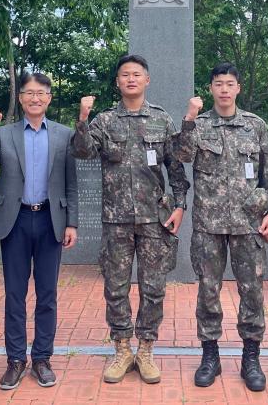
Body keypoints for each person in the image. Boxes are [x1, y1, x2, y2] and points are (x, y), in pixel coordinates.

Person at [72, 54, 189, 384]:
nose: (131, 79)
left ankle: (146, 349)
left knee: (153, 288)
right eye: (125, 75)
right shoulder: (105, 120)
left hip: (154, 220)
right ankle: (123, 349)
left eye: (137, 74)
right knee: (116, 287)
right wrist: (83, 119)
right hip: (117, 219)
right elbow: (83, 152)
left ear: (147, 80)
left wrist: (180, 205)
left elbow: (176, 168)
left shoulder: (161, 120)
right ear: (118, 82)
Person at [174, 62, 268, 392]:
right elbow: (182, 155)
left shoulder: (255, 125)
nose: (224, 89)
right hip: (209, 225)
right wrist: (189, 118)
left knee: (252, 292)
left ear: (238, 88)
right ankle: (210, 356)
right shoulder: (199, 124)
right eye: (218, 83)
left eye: (229, 83)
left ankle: (251, 357)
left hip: (249, 225)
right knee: (208, 291)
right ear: (210, 88)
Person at [0, 72, 78, 390]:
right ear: (20, 98)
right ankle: (16, 360)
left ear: (49, 98)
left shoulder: (64, 135)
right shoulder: (3, 134)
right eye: (29, 93)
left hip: (50, 221)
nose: (35, 98)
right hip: (15, 221)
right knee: (14, 294)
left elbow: (71, 183)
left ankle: (42, 358)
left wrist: (72, 222)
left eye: (41, 93)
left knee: (47, 294)